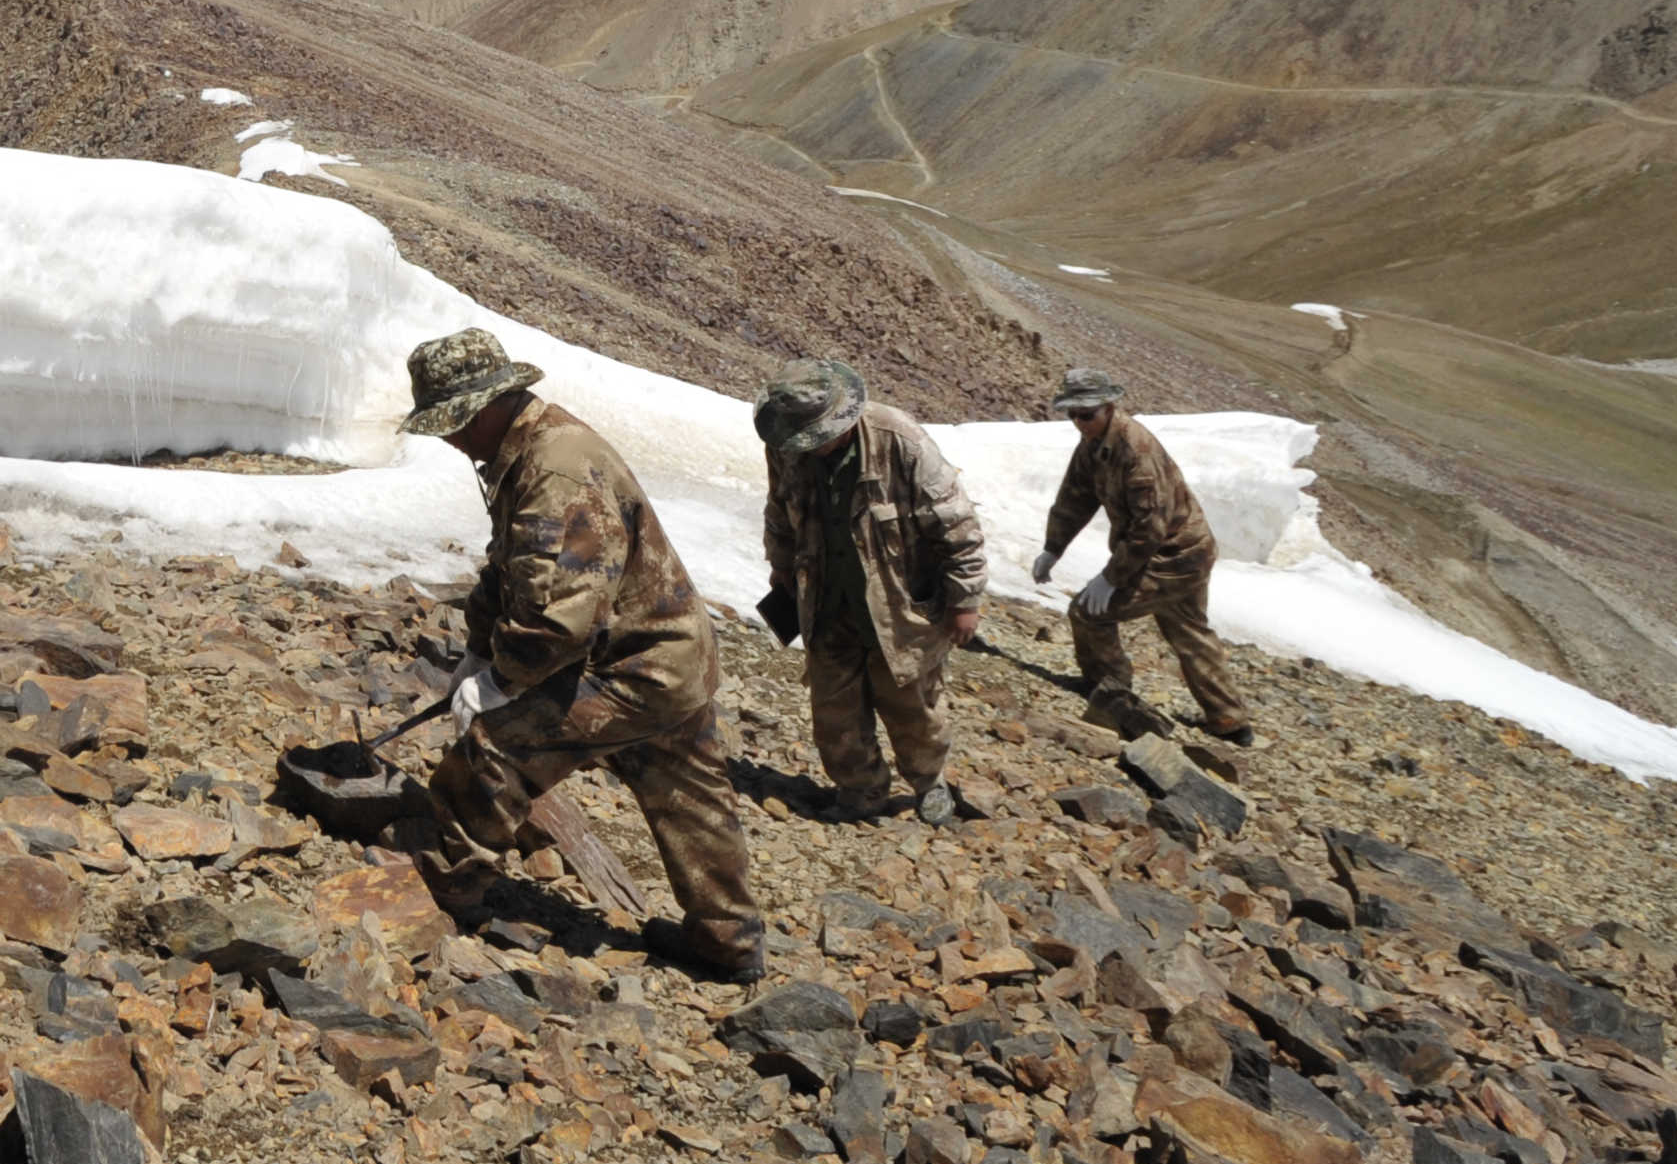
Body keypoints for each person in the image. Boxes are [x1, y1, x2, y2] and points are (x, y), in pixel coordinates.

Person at [389, 328, 764, 979]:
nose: (448, 440)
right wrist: (478, 649)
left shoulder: (554, 467)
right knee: (690, 800)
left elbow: (557, 623)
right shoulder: (531, 448)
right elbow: (510, 569)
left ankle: (442, 892)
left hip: (625, 667)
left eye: (451, 425)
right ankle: (728, 941)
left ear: (483, 408)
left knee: (492, 751)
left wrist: (498, 681)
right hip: (672, 657)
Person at [754, 358, 987, 822]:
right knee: (833, 708)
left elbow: (958, 525)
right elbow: (779, 511)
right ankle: (860, 791)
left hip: (900, 605)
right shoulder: (786, 443)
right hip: (826, 597)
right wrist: (780, 571)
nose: (812, 447)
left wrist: (965, 601)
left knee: (911, 706)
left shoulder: (900, 441)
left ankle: (928, 783)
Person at [1034, 365, 1254, 742]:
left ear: (1108, 407)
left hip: (1172, 556)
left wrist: (1111, 578)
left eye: (1085, 414)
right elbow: (1076, 496)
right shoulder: (1094, 444)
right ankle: (1230, 720)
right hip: (1182, 551)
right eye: (1072, 414)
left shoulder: (1137, 452)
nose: (1078, 422)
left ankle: (1110, 691)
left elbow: (1148, 529)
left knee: (1089, 612)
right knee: (1188, 630)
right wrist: (1053, 547)